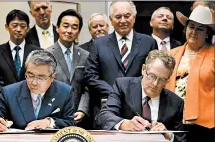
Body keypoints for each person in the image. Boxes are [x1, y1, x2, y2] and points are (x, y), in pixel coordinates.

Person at [84, 0, 157, 129]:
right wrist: (115, 92)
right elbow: (90, 75)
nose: (123, 20)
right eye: (118, 17)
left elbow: (153, 74)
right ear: (111, 20)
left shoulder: (149, 42)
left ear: (134, 18)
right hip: (107, 108)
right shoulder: (99, 44)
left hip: (140, 110)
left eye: (127, 16)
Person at [96, 50, 186, 142]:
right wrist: (124, 124)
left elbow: (181, 139)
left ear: (168, 80)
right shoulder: (123, 86)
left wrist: (169, 136)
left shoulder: (176, 103)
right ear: (143, 69)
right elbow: (104, 116)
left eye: (162, 80)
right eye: (152, 76)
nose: (155, 84)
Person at [0, 50, 74, 133]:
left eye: (40, 77)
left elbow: (70, 122)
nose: (34, 82)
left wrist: (49, 122)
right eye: (30, 75)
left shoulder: (65, 92)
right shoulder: (9, 92)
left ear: (52, 77)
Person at [165, 5, 214, 142]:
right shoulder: (171, 54)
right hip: (172, 122)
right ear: (185, 28)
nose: (194, 32)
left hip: (204, 125)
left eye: (200, 29)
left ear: (207, 33)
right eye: (191, 27)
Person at [47, 9, 90, 129]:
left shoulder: (86, 55)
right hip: (54, 116)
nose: (69, 31)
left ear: (79, 31)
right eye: (65, 26)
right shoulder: (46, 54)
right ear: (57, 28)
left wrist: (83, 109)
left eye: (74, 27)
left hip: (79, 118)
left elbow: (88, 87)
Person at [0, 9, 39, 108]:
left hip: (31, 105)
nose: (19, 29)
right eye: (14, 25)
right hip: (2, 105)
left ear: (28, 28)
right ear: (7, 27)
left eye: (23, 26)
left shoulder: (37, 52)